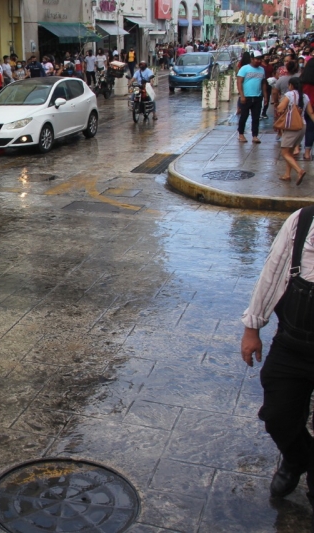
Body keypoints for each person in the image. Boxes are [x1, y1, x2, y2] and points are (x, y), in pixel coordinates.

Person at [241, 205, 314, 523]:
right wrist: (252, 327)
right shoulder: (303, 220)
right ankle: (297, 458)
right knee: (277, 416)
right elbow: (273, 273)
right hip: (293, 345)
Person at [275, 77, 313, 185]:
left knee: (285, 152)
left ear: (291, 85)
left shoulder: (289, 95)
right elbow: (311, 113)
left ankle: (299, 171)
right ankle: (287, 174)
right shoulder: (305, 96)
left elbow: (280, 108)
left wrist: (282, 106)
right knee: (290, 151)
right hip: (302, 125)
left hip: (292, 126)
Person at [237, 51, 267, 144]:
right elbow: (239, 82)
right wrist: (242, 95)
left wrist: (265, 96)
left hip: (257, 97)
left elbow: (263, 83)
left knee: (256, 117)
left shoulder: (262, 69)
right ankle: (241, 134)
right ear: (252, 59)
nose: (258, 61)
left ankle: (255, 136)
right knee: (244, 116)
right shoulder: (244, 68)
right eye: (257, 59)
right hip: (246, 97)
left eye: (260, 59)